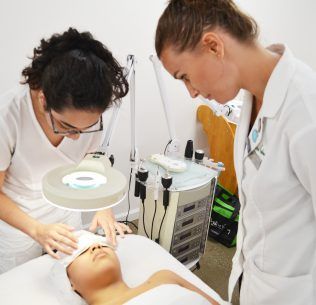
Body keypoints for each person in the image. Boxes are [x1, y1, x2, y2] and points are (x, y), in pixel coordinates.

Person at [155, 1, 316, 304]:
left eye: (184, 75)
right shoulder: (251, 99)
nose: (190, 92)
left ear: (214, 46)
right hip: (252, 281)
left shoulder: (306, 108)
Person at [0, 27, 132, 274]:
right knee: (22, 283)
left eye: (88, 127)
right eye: (66, 126)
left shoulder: (87, 117)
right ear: (43, 100)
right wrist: (36, 229)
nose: (76, 136)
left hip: (64, 207)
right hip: (17, 221)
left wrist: (103, 206)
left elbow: (93, 160)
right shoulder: (8, 117)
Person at [57, 231, 219, 305]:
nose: (96, 247)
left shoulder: (164, 278)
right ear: (70, 282)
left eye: (103, 244)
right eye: (82, 251)